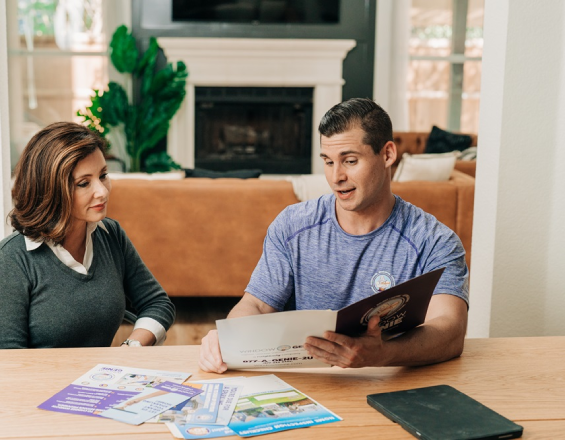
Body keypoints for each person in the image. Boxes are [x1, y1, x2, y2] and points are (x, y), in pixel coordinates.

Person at [199, 98, 469, 373]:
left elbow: (450, 330)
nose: (336, 176)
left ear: (387, 154)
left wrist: (383, 354)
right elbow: (254, 304)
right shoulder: (292, 225)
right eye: (328, 161)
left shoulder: (434, 240)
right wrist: (230, 337)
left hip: (392, 384)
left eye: (350, 161)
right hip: (308, 387)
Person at [0, 122, 175, 349]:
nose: (102, 191)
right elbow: (7, 363)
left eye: (103, 175)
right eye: (84, 183)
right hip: (40, 383)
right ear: (51, 189)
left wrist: (131, 348)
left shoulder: (110, 234)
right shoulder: (12, 259)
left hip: (99, 381)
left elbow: (157, 302)